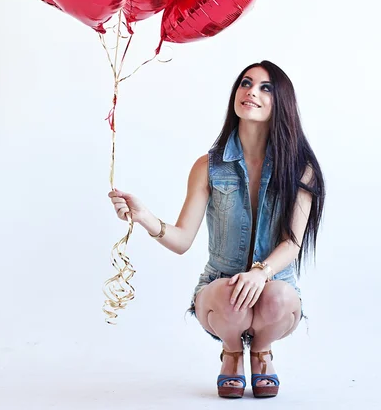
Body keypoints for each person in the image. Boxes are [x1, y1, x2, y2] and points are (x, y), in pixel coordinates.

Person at [108, 60, 325, 399]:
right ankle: (233, 352)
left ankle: (261, 352)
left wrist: (260, 273)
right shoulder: (208, 167)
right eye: (245, 83)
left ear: (281, 102)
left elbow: (292, 245)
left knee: (277, 297)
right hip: (218, 292)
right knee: (230, 295)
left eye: (265, 88)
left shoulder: (301, 169)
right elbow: (182, 240)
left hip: (275, 287)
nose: (251, 91)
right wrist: (144, 217)